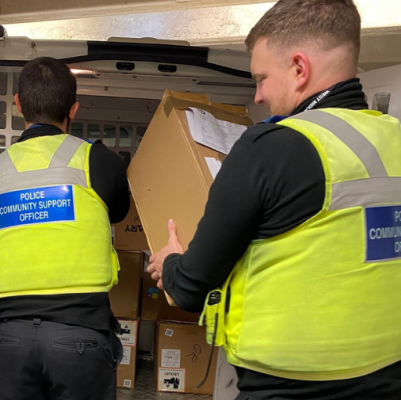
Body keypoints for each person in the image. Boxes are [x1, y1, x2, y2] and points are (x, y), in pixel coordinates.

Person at [147, 1, 401, 399]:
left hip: (287, 389)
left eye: (261, 78)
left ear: (300, 69)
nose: (259, 95)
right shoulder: (394, 139)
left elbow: (191, 288)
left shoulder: (271, 147)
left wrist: (169, 264)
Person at [0, 57, 129, 400]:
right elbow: (119, 211)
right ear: (73, 110)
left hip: (9, 336)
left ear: (17, 104)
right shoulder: (97, 161)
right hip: (80, 333)